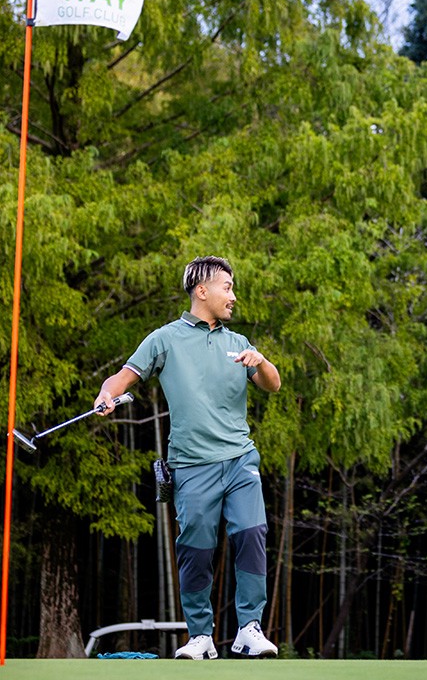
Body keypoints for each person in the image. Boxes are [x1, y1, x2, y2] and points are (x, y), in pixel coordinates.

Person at [95, 256, 282, 660]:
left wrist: (261, 360)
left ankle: (249, 628)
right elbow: (122, 377)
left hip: (239, 458)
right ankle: (201, 637)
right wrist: (106, 394)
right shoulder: (164, 339)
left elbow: (273, 384)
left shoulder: (239, 343)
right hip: (191, 466)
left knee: (251, 534)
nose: (233, 296)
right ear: (202, 290)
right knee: (195, 548)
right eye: (227, 287)